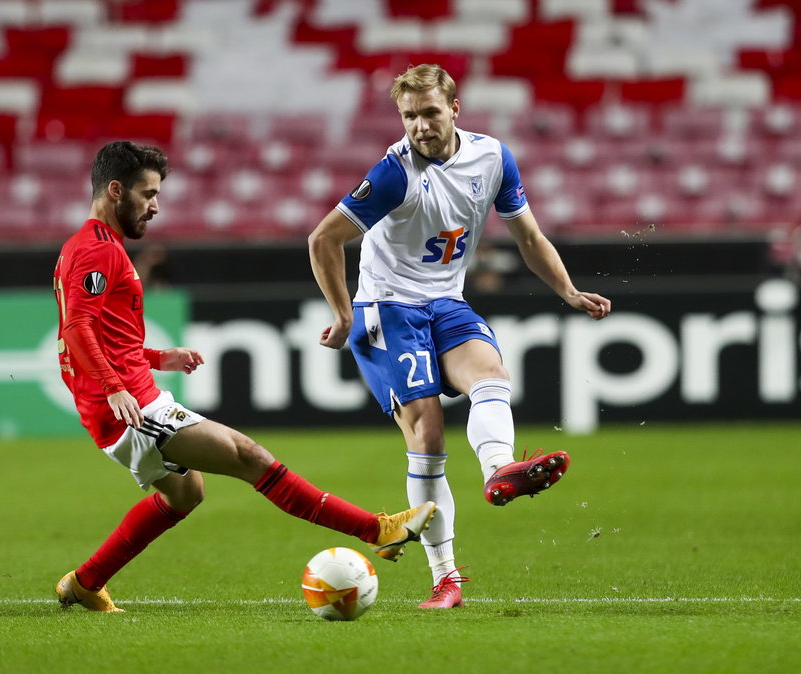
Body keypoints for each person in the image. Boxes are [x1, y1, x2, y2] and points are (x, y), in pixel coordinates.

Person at [52, 140, 437, 612]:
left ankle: (87, 582)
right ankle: (378, 530)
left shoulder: (94, 246)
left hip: (131, 393)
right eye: (147, 194)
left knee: (185, 493)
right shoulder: (96, 251)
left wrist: (156, 356)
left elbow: (104, 334)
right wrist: (113, 389)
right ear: (115, 190)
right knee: (249, 456)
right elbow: (76, 328)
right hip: (130, 406)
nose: (155, 207)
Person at [307, 65, 612, 610]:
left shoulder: (492, 158)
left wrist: (567, 291)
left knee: (492, 375)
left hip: (446, 301)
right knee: (427, 433)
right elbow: (323, 239)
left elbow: (529, 236)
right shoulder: (393, 174)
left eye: (429, 113)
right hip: (387, 309)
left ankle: (499, 472)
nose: (419, 126)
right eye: (408, 116)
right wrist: (344, 313)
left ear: (454, 110)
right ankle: (445, 578)